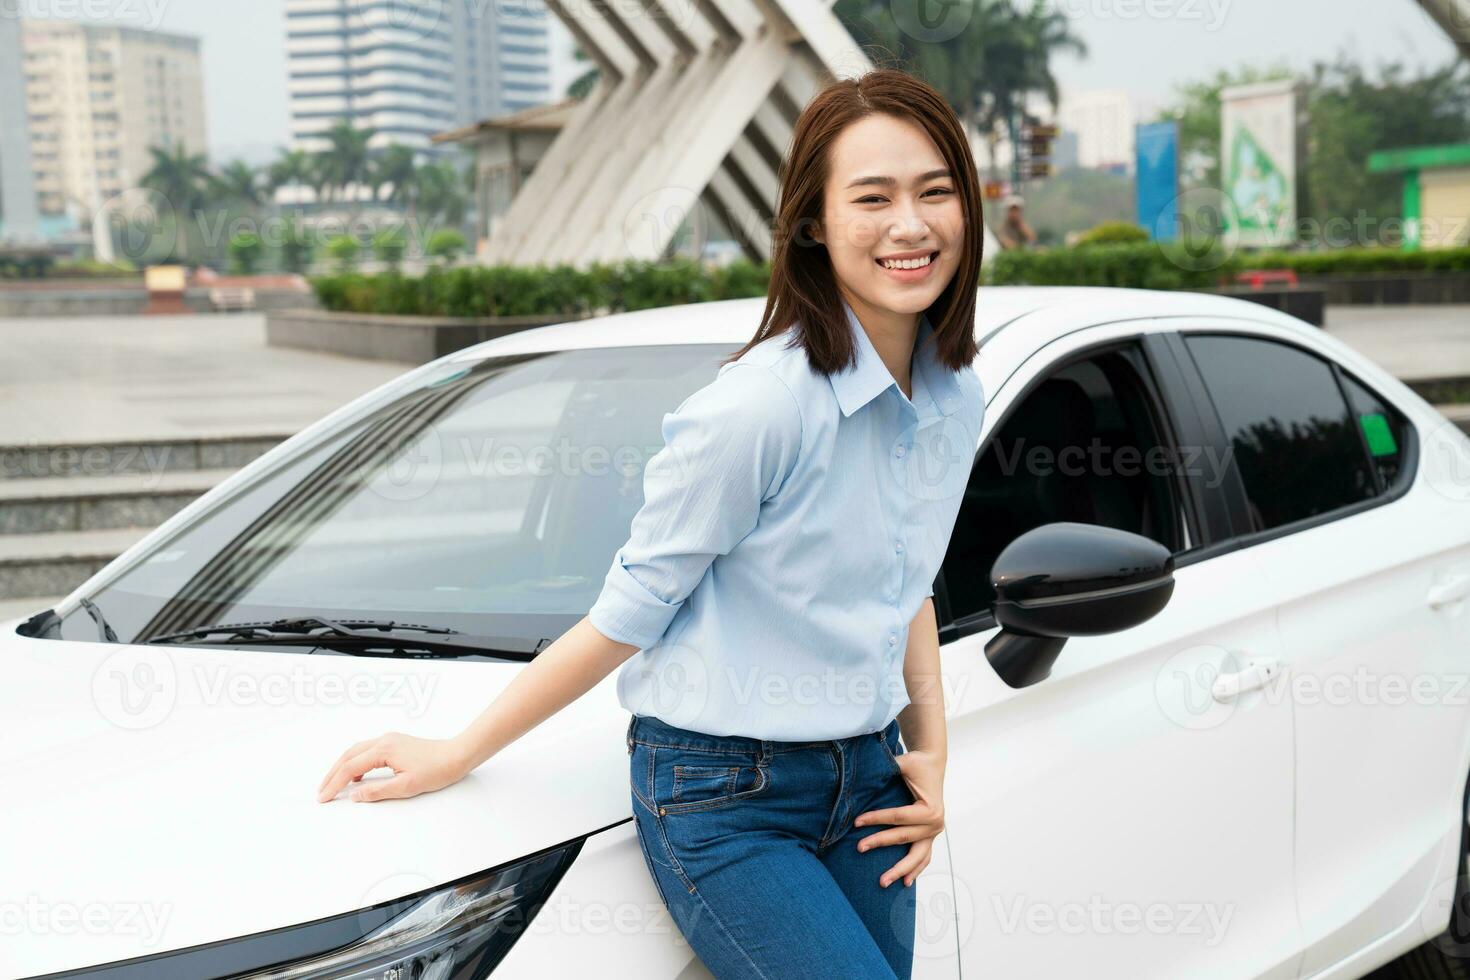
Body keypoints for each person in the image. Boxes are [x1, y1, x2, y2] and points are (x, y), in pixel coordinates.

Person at [315, 66, 986, 979]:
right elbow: (627, 615)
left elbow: (906, 584)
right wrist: (456, 751)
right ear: (814, 225)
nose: (910, 225)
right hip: (726, 795)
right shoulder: (761, 409)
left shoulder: (953, 397)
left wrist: (932, 754)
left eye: (934, 192)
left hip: (869, 782)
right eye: (873, 198)